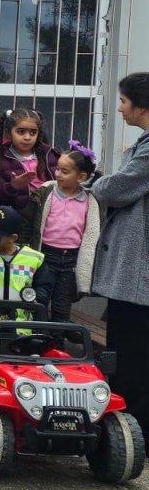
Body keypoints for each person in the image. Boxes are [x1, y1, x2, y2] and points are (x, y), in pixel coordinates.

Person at [91, 72, 149, 428]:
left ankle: (133, 428)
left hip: (139, 275)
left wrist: (96, 181)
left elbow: (117, 189)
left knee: (132, 354)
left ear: (141, 104)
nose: (120, 108)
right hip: (135, 274)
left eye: (124, 101)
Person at [20, 144, 101, 324]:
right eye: (57, 169)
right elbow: (27, 223)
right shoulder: (46, 192)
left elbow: (92, 233)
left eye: (64, 171)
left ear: (81, 177)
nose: (57, 174)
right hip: (44, 256)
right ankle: (37, 341)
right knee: (38, 301)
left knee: (61, 307)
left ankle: (57, 346)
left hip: (71, 261)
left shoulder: (90, 200)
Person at [0, 207, 54, 324]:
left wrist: (37, 300)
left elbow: (43, 289)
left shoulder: (35, 259)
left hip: (22, 330)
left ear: (12, 238)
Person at [0, 107, 59, 209]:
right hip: (19, 216)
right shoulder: (1, 159)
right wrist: (12, 187)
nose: (27, 137)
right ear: (8, 133)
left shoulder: (49, 154)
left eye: (33, 132)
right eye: (21, 132)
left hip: (49, 212)